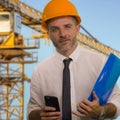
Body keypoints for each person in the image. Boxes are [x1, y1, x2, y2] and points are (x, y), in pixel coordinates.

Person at [27, 0, 120, 120]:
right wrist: (39, 115)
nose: (62, 34)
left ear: (78, 28)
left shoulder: (100, 62)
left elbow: (117, 103)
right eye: (55, 29)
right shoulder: (40, 71)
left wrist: (101, 111)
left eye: (67, 27)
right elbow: (32, 110)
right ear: (48, 33)